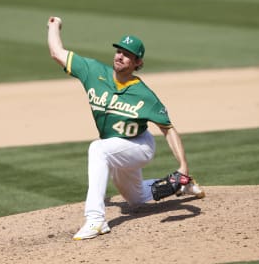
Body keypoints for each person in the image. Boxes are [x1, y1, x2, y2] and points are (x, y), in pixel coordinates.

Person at [46, 16, 205, 241]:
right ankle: (180, 187)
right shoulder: (92, 71)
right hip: (116, 146)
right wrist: (53, 26)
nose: (120, 56)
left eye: (127, 54)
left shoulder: (144, 94)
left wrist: (184, 166)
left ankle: (96, 220)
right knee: (136, 198)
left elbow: (168, 128)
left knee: (98, 149)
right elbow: (56, 52)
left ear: (138, 63)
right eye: (119, 51)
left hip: (139, 146)